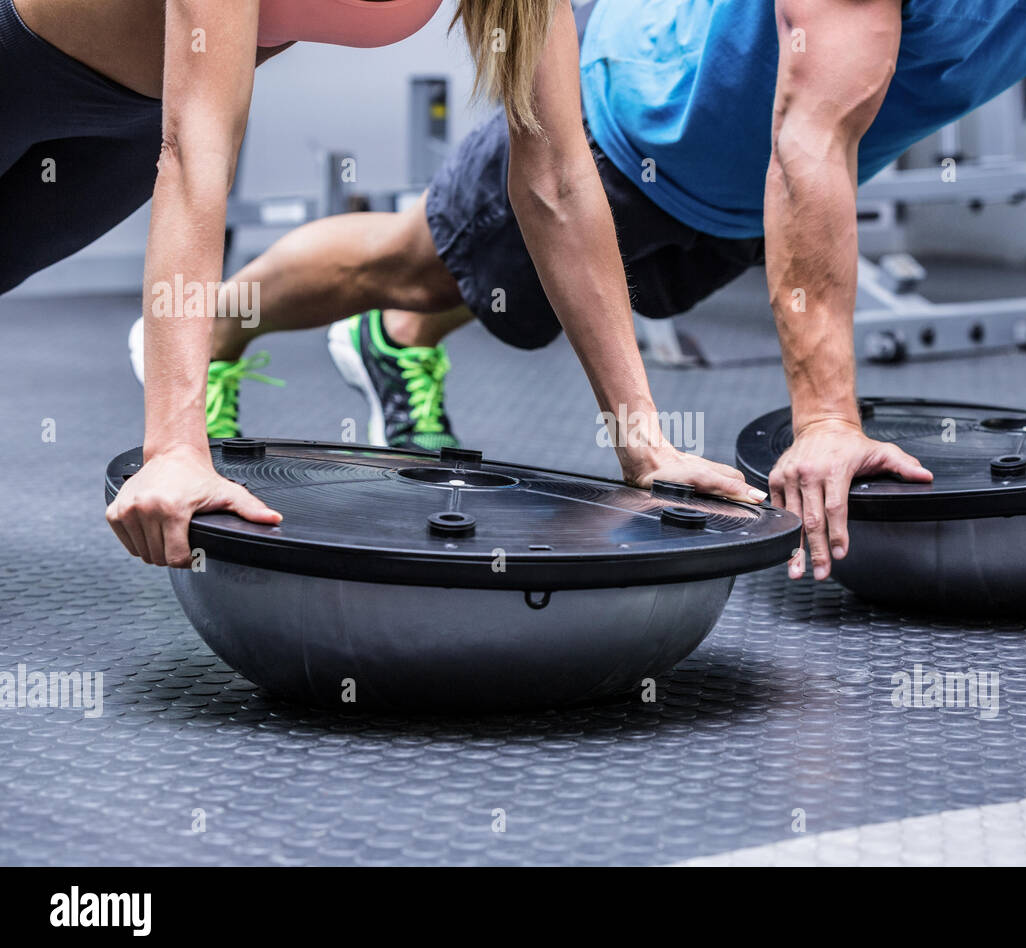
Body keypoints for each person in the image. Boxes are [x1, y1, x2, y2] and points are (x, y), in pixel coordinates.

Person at [173, 0, 1026, 582]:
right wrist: (827, 420)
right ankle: (215, 326)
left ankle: (395, 338)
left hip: (747, 207)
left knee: (502, 295)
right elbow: (808, 132)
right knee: (421, 254)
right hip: (626, 126)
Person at [0, 0, 762, 568]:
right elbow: (197, 154)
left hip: (133, 114)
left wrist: (645, 445)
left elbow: (559, 178)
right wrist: (173, 446)